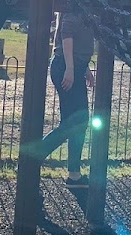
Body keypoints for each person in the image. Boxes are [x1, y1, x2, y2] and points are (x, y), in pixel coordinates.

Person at [35, 10, 95, 190]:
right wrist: (71, 68)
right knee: (74, 123)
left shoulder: (86, 9)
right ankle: (34, 159)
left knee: (78, 122)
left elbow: (77, 43)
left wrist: (84, 69)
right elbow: (66, 35)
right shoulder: (72, 7)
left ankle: (74, 175)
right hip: (66, 66)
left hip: (74, 66)